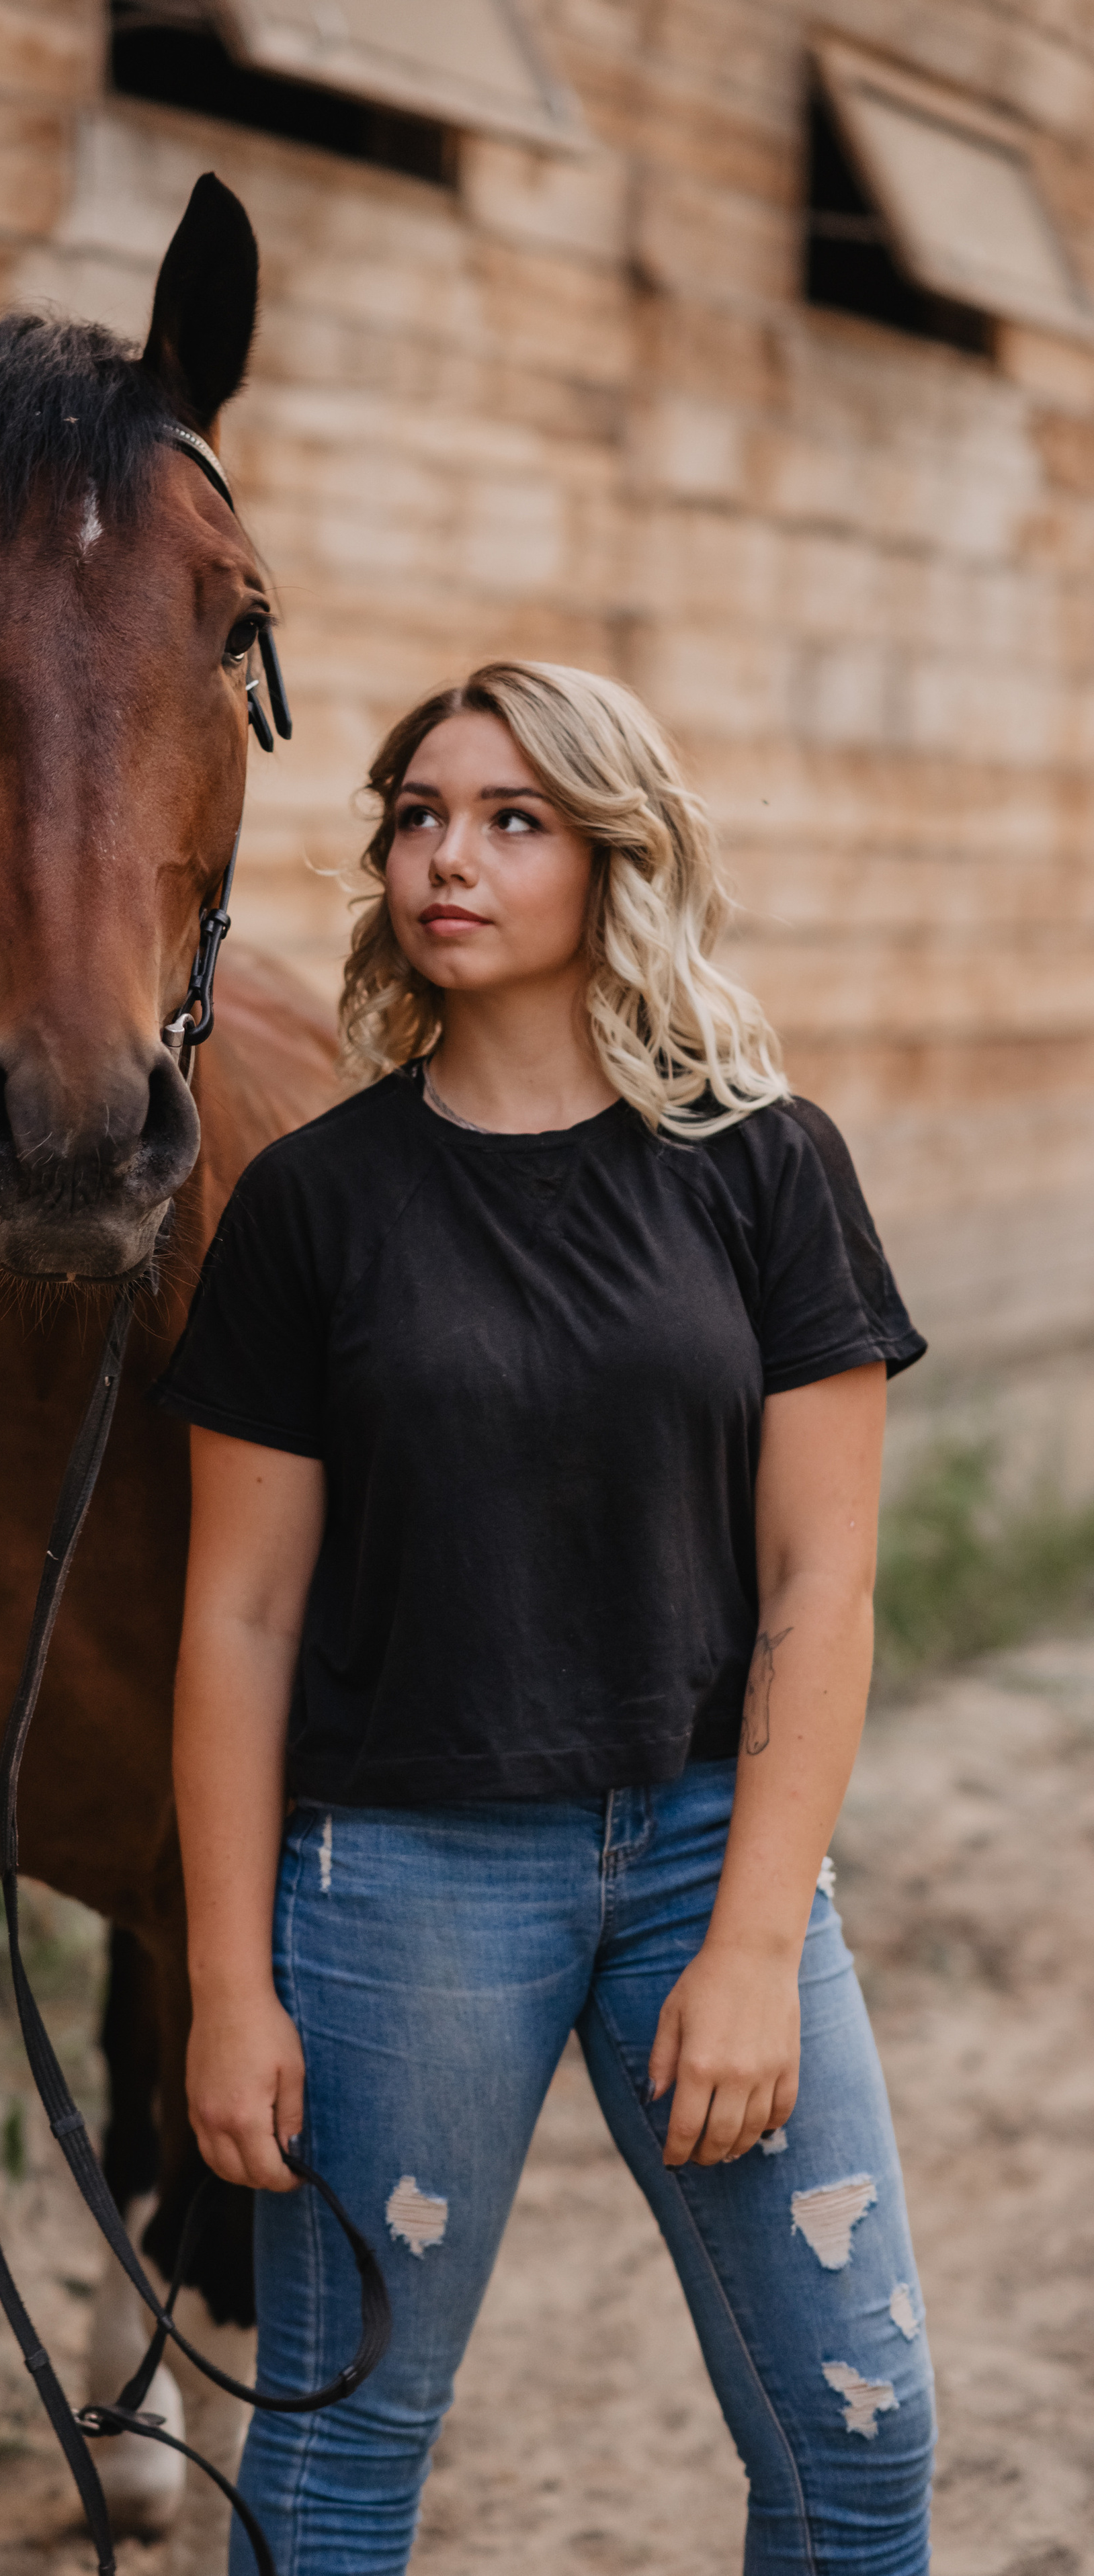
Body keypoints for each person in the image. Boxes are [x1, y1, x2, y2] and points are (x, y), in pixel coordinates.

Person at [151, 663, 935, 2576]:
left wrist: (756, 1935)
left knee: (863, 2437)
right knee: (336, 2466)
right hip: (402, 1878)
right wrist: (233, 1982)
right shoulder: (312, 1209)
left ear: (614, 854)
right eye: (420, 814)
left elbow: (822, 1582)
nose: (450, 857)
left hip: (697, 1848)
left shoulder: (766, 1168)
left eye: (513, 820)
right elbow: (239, 1618)